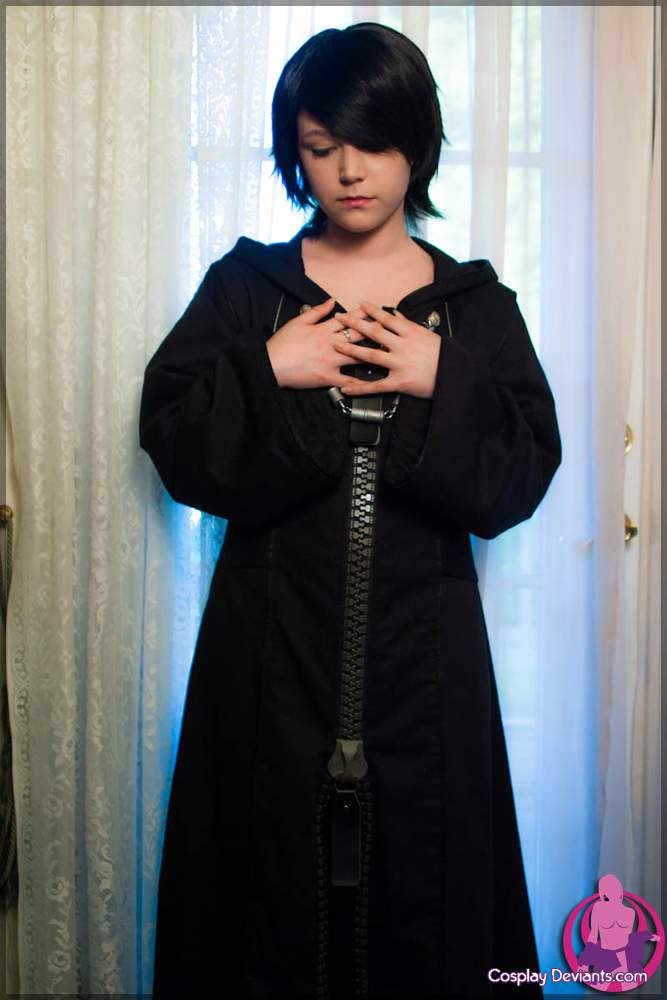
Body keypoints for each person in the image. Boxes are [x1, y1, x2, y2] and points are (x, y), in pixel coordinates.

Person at [139, 21, 562, 1000]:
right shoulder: (245, 291)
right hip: (266, 663)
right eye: (321, 146)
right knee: (262, 906)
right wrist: (268, 368)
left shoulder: (474, 308)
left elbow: (521, 476)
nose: (348, 171)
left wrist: (443, 376)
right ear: (294, 153)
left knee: (428, 909)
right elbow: (173, 442)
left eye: (371, 143)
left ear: (417, 144)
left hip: (429, 670)